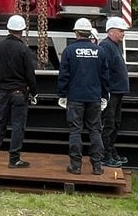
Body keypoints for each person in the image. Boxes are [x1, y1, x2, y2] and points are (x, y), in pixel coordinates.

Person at [0, 14, 37, 168]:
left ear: (8, 28)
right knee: (18, 126)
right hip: (19, 93)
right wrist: (34, 92)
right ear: (22, 30)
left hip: (3, 92)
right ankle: (14, 159)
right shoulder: (23, 49)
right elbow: (30, 74)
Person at [56, 17, 106, 174]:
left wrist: (62, 94)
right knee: (95, 131)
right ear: (89, 32)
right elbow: (105, 76)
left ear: (76, 33)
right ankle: (97, 166)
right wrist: (104, 95)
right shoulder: (100, 51)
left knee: (76, 131)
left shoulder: (69, 51)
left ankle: (76, 166)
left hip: (75, 97)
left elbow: (64, 75)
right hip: (94, 97)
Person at [98, 17, 132, 167]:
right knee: (109, 124)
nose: (123, 33)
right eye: (121, 30)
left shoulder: (115, 46)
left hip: (117, 91)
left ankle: (111, 152)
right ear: (111, 31)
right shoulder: (106, 46)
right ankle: (105, 155)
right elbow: (104, 71)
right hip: (111, 92)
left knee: (115, 123)